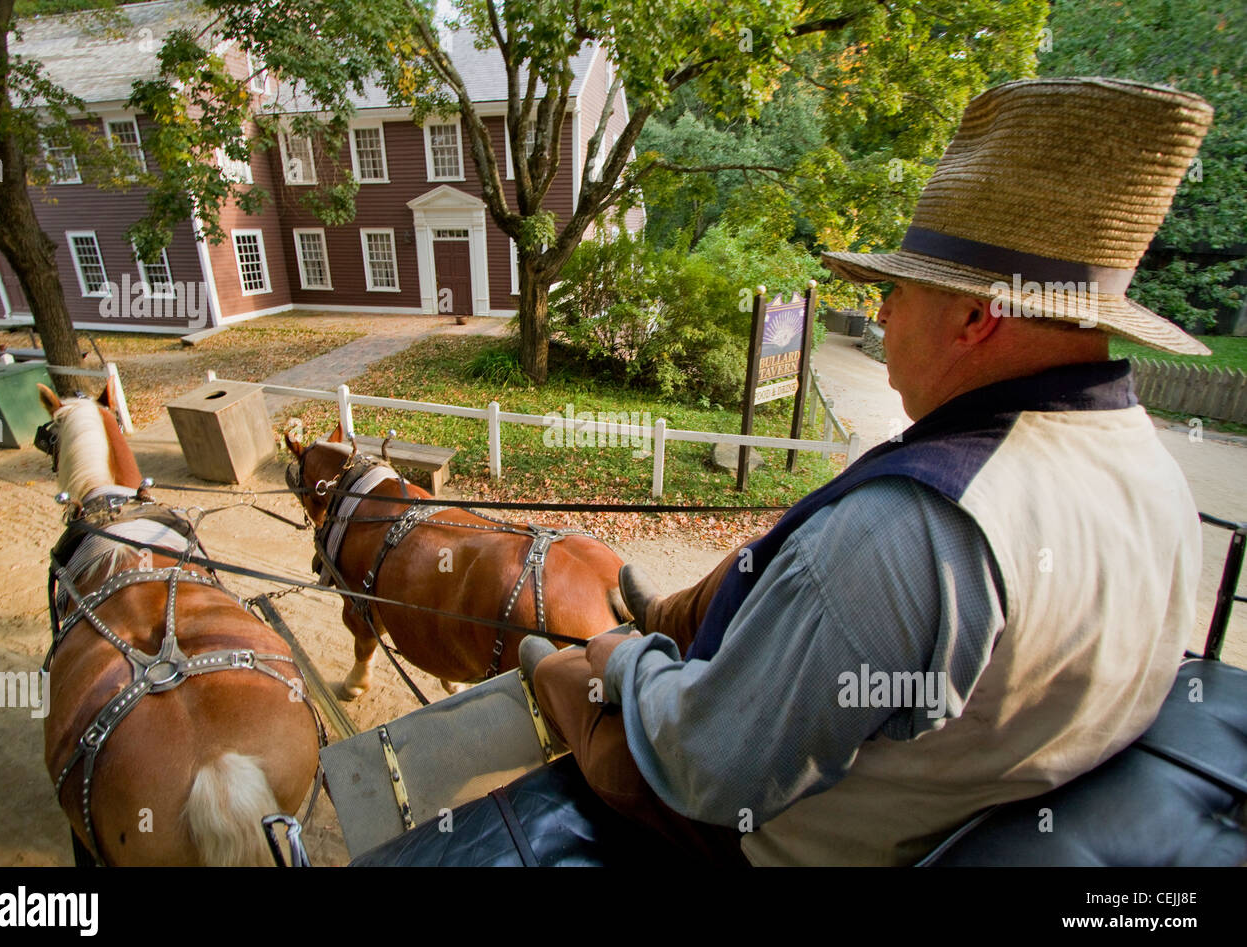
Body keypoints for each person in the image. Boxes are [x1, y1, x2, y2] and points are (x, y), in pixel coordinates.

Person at [519, 76, 1213, 866]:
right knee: (772, 553)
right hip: (999, 766)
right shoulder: (1153, 471)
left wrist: (622, 662)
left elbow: (709, 767)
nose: (879, 315)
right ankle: (671, 612)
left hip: (792, 832)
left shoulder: (906, 531)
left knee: (563, 668)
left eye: (897, 291)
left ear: (977, 317)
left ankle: (605, 655)